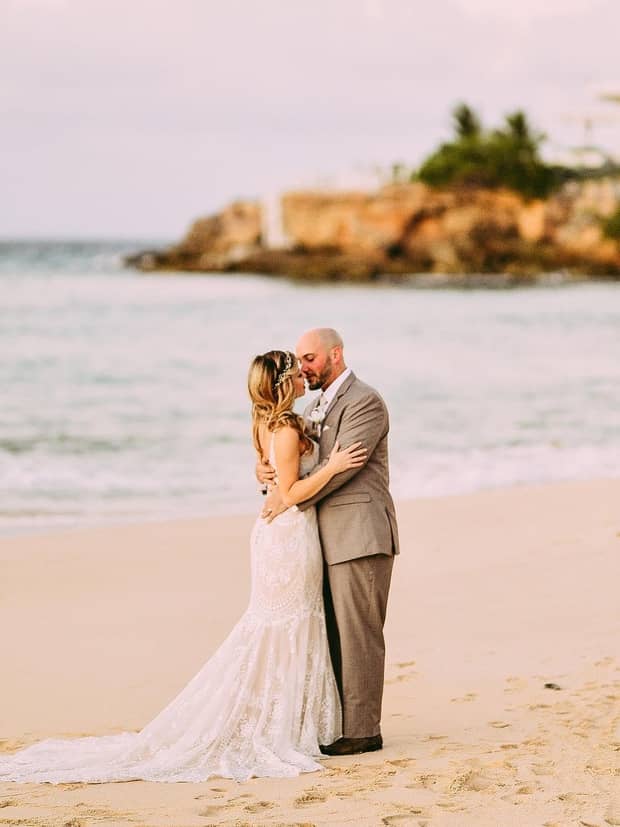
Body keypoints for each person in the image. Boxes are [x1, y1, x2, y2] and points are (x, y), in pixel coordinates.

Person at [0, 350, 366, 784]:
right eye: (297, 370)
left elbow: (273, 479)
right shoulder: (285, 428)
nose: (305, 375)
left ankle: (286, 717)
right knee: (283, 626)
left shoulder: (273, 423)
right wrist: (334, 467)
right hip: (287, 537)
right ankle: (275, 724)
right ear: (285, 382)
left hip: (286, 534)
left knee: (288, 626)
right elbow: (288, 492)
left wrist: (270, 477)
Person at [258, 328, 399, 756]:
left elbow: (343, 468)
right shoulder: (315, 405)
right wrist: (273, 478)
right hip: (319, 536)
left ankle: (362, 731)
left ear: (335, 354)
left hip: (360, 532)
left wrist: (287, 492)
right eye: (300, 361)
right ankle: (336, 724)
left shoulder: (364, 401)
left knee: (359, 633)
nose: (303, 368)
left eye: (310, 359)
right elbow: (299, 460)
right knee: (330, 633)